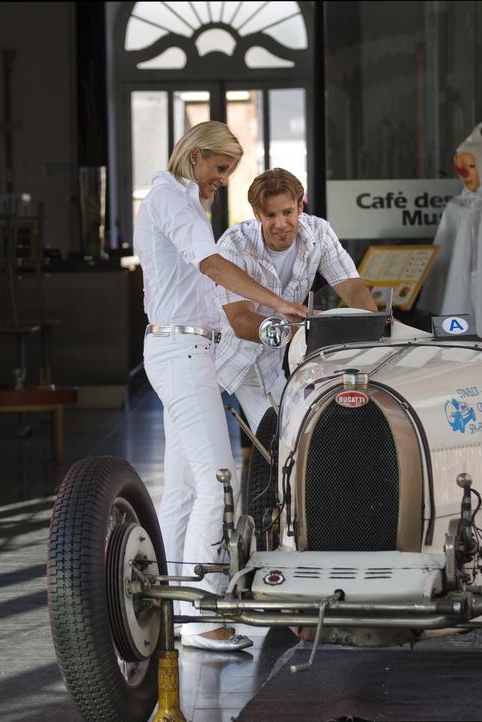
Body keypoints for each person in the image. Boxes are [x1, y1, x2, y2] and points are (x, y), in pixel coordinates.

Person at [135, 122, 307, 652]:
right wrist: (278, 303)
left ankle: (171, 604)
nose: (222, 180)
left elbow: (208, 286)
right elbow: (210, 265)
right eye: (220, 168)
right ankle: (200, 611)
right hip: (182, 350)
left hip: (189, 348)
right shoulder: (171, 199)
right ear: (196, 155)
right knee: (218, 481)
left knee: (187, 489)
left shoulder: (182, 199)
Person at [214, 168, 377, 435]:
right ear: (257, 215)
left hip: (271, 361)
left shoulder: (319, 234)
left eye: (287, 212)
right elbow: (241, 322)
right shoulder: (235, 245)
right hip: (221, 357)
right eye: (270, 215)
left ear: (300, 207)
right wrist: (311, 332)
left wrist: (370, 323)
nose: (280, 224)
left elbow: (353, 288)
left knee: (292, 439)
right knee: (203, 451)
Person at [419, 122, 482, 339]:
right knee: (458, 331)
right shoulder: (455, 206)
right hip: (459, 282)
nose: (465, 174)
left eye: (470, 166)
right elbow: (442, 256)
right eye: (460, 167)